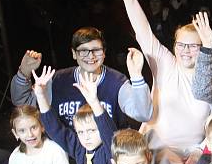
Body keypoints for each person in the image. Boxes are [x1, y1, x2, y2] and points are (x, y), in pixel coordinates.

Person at [111, 0, 212, 164]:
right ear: (174, 46)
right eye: (181, 44)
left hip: (198, 152)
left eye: (193, 46)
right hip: (158, 149)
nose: (186, 50)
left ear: (203, 47)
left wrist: (200, 150)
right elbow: (143, 32)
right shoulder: (165, 63)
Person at [10, 31, 152, 129]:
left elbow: (143, 114)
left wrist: (136, 75)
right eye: (84, 51)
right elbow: (23, 104)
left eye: (96, 50)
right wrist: (24, 72)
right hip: (69, 156)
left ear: (104, 53)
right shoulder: (58, 80)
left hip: (108, 157)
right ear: (74, 53)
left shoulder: (117, 82)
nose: (91, 56)